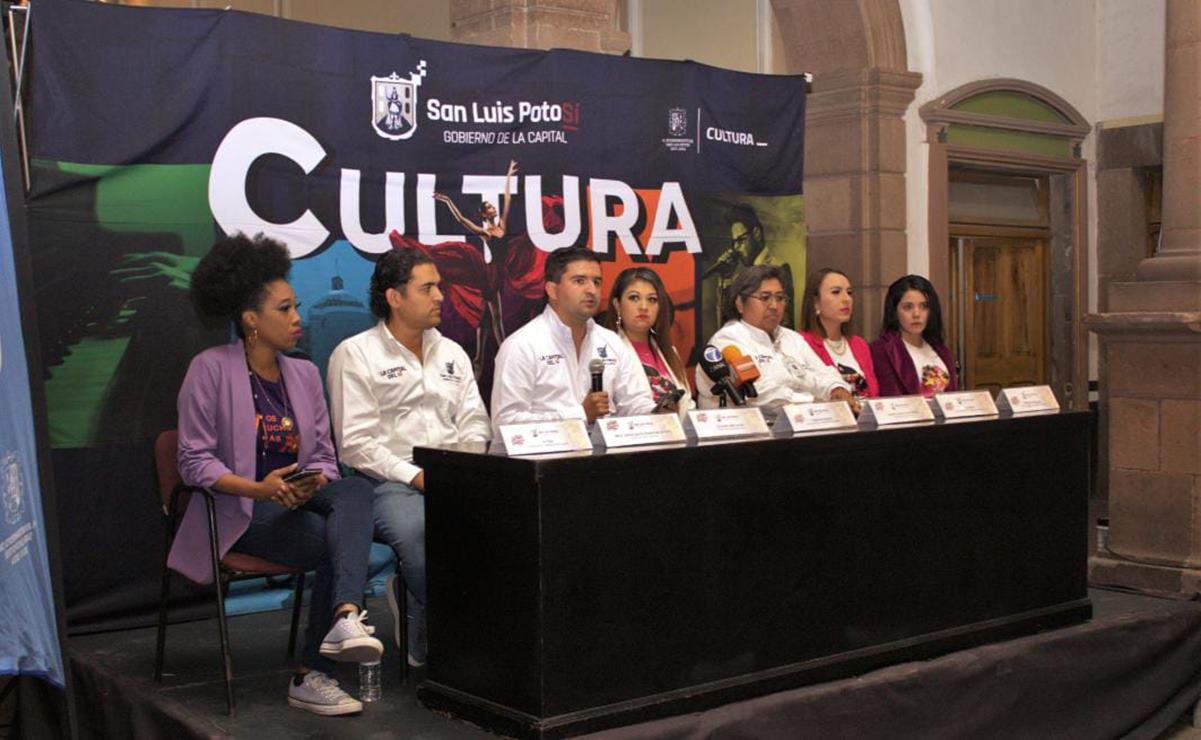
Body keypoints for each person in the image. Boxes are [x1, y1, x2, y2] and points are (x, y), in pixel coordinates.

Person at [170, 233, 382, 717]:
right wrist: (260, 489)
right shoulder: (209, 370)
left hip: (297, 501)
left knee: (352, 488)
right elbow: (193, 461)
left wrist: (315, 481)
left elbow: (326, 455)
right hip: (240, 510)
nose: (296, 319)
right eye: (284, 309)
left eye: (296, 307)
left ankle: (345, 616)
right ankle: (312, 674)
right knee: (335, 539)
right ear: (250, 320)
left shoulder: (304, 374)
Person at [327, 248, 490, 669]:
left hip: (453, 473)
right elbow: (355, 444)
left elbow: (474, 421)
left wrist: (464, 468)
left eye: (439, 286)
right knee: (421, 532)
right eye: (427, 287)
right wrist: (416, 477)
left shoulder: (452, 351)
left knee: (501, 525)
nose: (440, 296)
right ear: (394, 297)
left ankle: (425, 609)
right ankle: (455, 632)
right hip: (385, 482)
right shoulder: (355, 353)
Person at [491, 246, 655, 435]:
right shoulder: (521, 346)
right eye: (579, 281)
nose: (592, 290)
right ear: (552, 290)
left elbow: (634, 403)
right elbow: (505, 424)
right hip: (547, 461)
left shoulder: (612, 343)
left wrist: (656, 413)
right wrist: (580, 414)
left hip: (607, 460)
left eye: (597, 282)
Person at [696, 264, 856, 413]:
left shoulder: (792, 338)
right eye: (765, 298)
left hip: (800, 425)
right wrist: (815, 403)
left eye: (780, 298)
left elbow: (825, 373)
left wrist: (837, 390)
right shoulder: (728, 341)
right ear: (740, 303)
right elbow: (759, 394)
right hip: (743, 435)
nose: (774, 306)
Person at [430, 159, 519, 375]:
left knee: (486, 320)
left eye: (492, 206)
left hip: (499, 273)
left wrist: (508, 175)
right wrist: (447, 200)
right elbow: (461, 219)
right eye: (489, 207)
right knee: (496, 318)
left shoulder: (501, 226)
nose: (493, 208)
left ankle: (479, 358)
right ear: (483, 214)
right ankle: (504, 354)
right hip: (490, 274)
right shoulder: (486, 232)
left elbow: (507, 198)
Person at [597, 267, 694, 415]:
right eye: (634, 298)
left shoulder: (670, 352)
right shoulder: (605, 352)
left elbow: (688, 405)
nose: (643, 307)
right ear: (617, 305)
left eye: (652, 300)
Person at [702, 204, 795, 329]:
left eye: (741, 240)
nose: (736, 248)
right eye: (734, 243)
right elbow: (728, 325)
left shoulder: (779, 268)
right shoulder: (741, 276)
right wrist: (726, 279)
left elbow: (785, 323)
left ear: (756, 234)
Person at [870, 274, 959, 397]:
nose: (917, 314)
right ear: (894, 311)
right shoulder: (881, 350)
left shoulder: (941, 349)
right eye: (908, 307)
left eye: (924, 306)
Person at [798, 268, 879, 399]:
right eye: (836, 292)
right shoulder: (801, 343)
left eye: (849, 292)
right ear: (815, 302)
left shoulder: (859, 344)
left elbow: (874, 396)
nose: (846, 299)